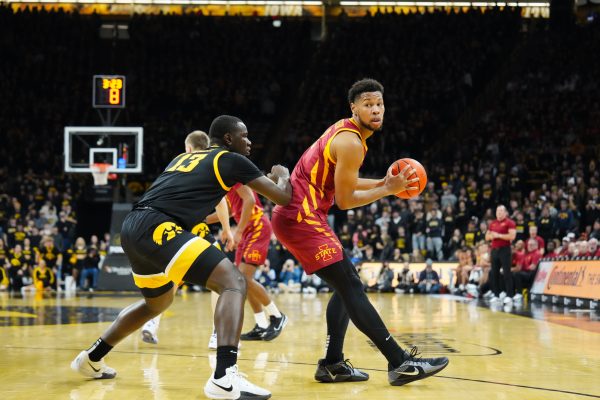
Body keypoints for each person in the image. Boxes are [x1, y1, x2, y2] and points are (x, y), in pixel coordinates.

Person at [70, 115, 292, 400]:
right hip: (159, 227)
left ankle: (91, 358)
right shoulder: (230, 159)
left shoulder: (183, 159)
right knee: (234, 282)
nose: (249, 141)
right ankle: (224, 377)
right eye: (244, 135)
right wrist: (282, 174)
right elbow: (283, 197)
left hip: (132, 225)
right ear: (228, 139)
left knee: (156, 304)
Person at [271, 79, 448, 387]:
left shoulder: (348, 134)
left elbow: (348, 182)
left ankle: (332, 364)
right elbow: (345, 200)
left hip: (301, 214)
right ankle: (400, 362)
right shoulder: (351, 143)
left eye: (379, 104)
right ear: (353, 107)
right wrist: (386, 190)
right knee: (351, 284)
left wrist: (383, 183)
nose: (375, 109)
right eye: (368, 104)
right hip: (301, 216)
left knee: (346, 285)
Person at [139, 130, 235, 347]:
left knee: (172, 277)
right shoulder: (210, 163)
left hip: (167, 227)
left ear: (188, 148)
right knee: (221, 280)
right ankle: (217, 334)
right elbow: (221, 202)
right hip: (195, 228)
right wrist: (227, 230)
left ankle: (151, 323)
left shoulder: (176, 163)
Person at [212, 180, 288, 342]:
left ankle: (277, 316)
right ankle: (261, 324)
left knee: (244, 278)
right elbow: (231, 210)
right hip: (246, 229)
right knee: (242, 281)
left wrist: (237, 231)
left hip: (257, 226)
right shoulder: (224, 184)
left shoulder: (232, 174)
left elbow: (250, 200)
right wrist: (201, 219)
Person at [485, 205, 516, 305]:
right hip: (494, 250)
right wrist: (491, 236)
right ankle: (496, 295)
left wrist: (498, 235)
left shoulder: (509, 222)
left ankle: (509, 296)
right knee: (494, 273)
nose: (499, 212)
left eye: (501, 211)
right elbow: (487, 237)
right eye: (498, 211)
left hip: (505, 250)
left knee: (507, 273)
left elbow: (512, 236)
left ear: (505, 212)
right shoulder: (493, 223)